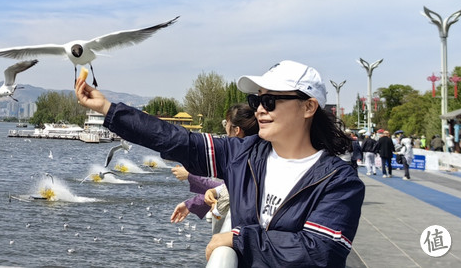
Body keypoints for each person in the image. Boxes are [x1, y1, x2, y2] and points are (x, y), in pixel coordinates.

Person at [76, 60, 364, 267]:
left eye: (271, 101)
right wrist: (108, 108)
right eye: (256, 100)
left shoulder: (338, 181)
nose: (260, 110)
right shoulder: (244, 154)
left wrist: (238, 239)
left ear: (309, 107)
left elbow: (319, 252)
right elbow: (178, 140)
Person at [171, 103, 258, 228]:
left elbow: (227, 188)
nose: (225, 131)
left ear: (237, 130)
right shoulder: (258, 154)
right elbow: (223, 189)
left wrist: (190, 176)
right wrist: (191, 204)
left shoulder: (240, 159)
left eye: (225, 125)